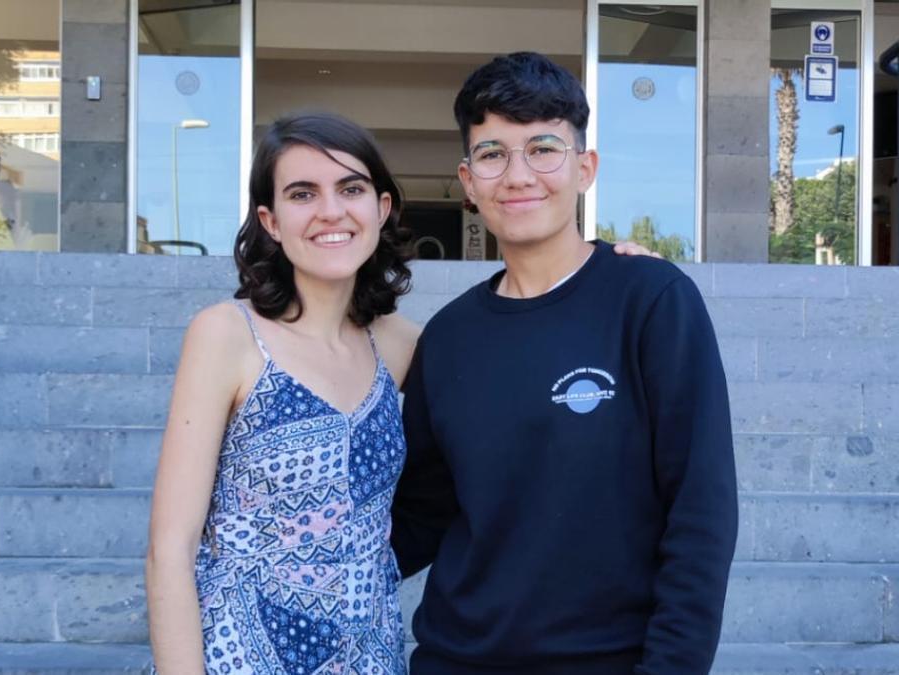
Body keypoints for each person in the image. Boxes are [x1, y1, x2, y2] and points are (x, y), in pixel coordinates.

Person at [391, 52, 739, 675]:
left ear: (584, 168)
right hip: (455, 659)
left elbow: (701, 512)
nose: (519, 174)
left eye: (543, 148)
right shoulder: (447, 339)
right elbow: (420, 513)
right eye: (494, 154)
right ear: (469, 183)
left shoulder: (651, 301)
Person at [145, 112, 421, 674]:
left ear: (381, 208)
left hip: (370, 657)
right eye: (303, 193)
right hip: (242, 657)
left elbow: (515, 361)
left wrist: (611, 271)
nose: (331, 210)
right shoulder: (227, 334)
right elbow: (169, 549)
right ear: (270, 221)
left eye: (351, 189)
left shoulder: (395, 344)